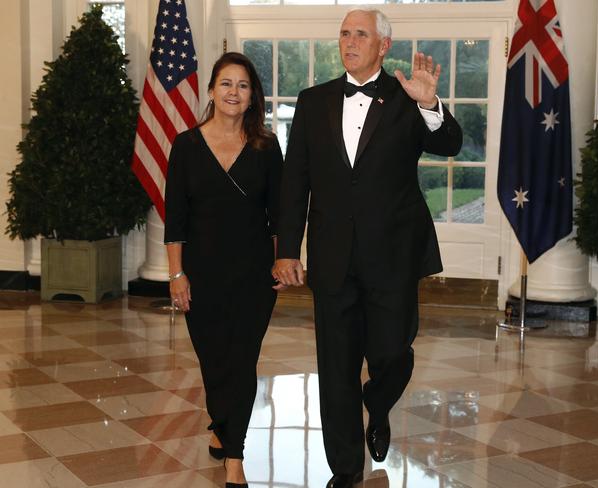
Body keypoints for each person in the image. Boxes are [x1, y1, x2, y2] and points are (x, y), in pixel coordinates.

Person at [272, 8, 462, 488]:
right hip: (333, 258)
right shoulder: (312, 101)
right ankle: (345, 467)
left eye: (361, 34)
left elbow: (452, 143)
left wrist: (430, 103)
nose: (349, 41)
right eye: (344, 33)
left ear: (384, 46)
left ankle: (378, 407)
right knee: (335, 368)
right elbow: (295, 182)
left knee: (393, 352)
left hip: (393, 256)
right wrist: (288, 249)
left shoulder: (407, 97)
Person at [164, 52, 284, 488]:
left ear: (254, 97)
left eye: (243, 85)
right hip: (202, 275)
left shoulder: (267, 147)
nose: (234, 92)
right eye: (226, 84)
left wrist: (282, 258)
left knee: (242, 361)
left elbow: (280, 213)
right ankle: (220, 422)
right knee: (214, 362)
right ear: (212, 91)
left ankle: (235, 454)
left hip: (254, 275)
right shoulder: (185, 145)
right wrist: (177, 275)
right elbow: (174, 218)